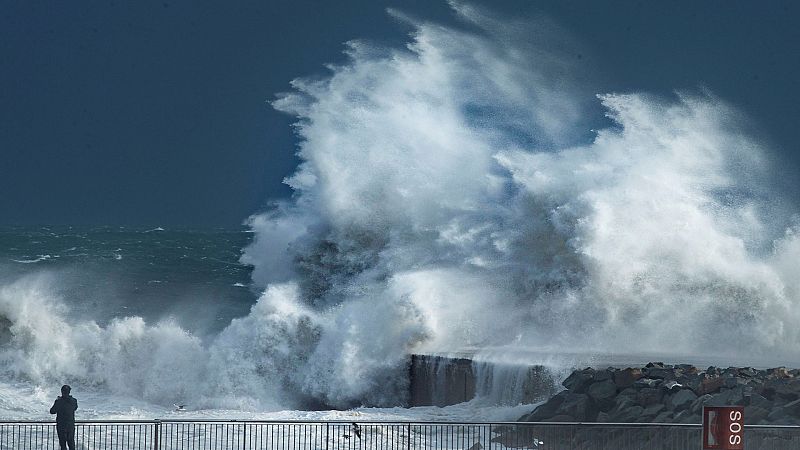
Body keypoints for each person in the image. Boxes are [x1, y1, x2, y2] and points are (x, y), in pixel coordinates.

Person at [49, 384, 78, 450]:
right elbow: (75, 408)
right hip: (70, 425)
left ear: (62, 391)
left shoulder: (59, 401)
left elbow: (52, 411)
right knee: (71, 444)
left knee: (63, 444)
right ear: (69, 392)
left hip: (61, 426)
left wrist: (57, 400)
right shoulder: (74, 401)